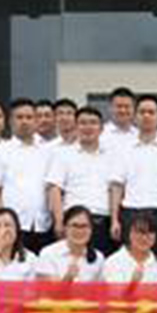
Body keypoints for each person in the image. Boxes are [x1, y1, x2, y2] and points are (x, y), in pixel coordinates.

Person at [109, 94, 157, 260]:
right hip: (131, 212)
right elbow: (117, 186)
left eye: (151, 112)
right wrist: (114, 220)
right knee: (131, 261)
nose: (146, 116)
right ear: (135, 117)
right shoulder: (123, 148)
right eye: (142, 112)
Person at [0, 98, 54, 254]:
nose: (24, 122)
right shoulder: (0, 151)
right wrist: (2, 222)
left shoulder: (48, 151)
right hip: (14, 226)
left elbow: (52, 187)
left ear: (36, 121)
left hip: (43, 224)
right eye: (19, 117)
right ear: (10, 121)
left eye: (29, 117)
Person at [46, 107, 117, 255]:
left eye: (93, 123)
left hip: (102, 221)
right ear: (76, 127)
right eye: (83, 123)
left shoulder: (112, 155)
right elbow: (55, 188)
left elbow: (114, 189)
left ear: (101, 128)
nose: (88, 127)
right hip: (73, 221)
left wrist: (115, 220)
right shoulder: (63, 155)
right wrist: (59, 221)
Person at [36, 206, 104, 282]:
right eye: (75, 225)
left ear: (91, 229)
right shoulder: (48, 253)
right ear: (65, 228)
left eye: (84, 226)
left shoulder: (98, 258)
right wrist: (68, 278)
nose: (79, 231)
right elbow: (46, 288)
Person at [102, 211, 157, 283]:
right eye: (140, 232)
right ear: (129, 234)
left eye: (149, 233)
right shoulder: (113, 262)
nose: (144, 238)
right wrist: (133, 283)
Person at [100, 87, 138, 153]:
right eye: (119, 106)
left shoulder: (140, 135)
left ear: (134, 108)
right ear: (110, 108)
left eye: (127, 106)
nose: (123, 110)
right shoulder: (100, 134)